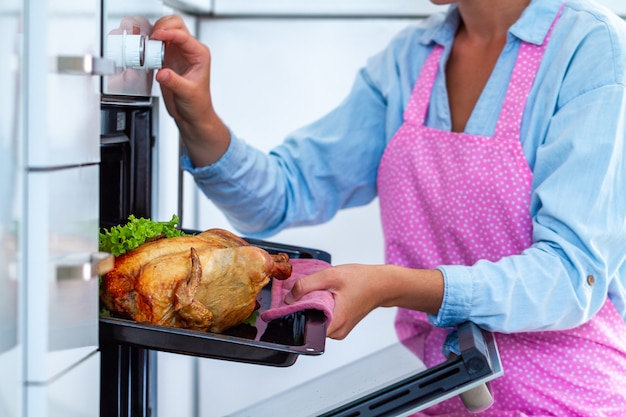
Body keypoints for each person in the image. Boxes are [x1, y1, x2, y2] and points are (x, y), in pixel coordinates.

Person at [150, 0, 626, 414]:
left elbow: (571, 276)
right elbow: (284, 194)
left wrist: (391, 285)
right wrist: (198, 115)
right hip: (435, 391)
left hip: (567, 396)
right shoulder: (410, 59)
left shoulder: (590, 48)